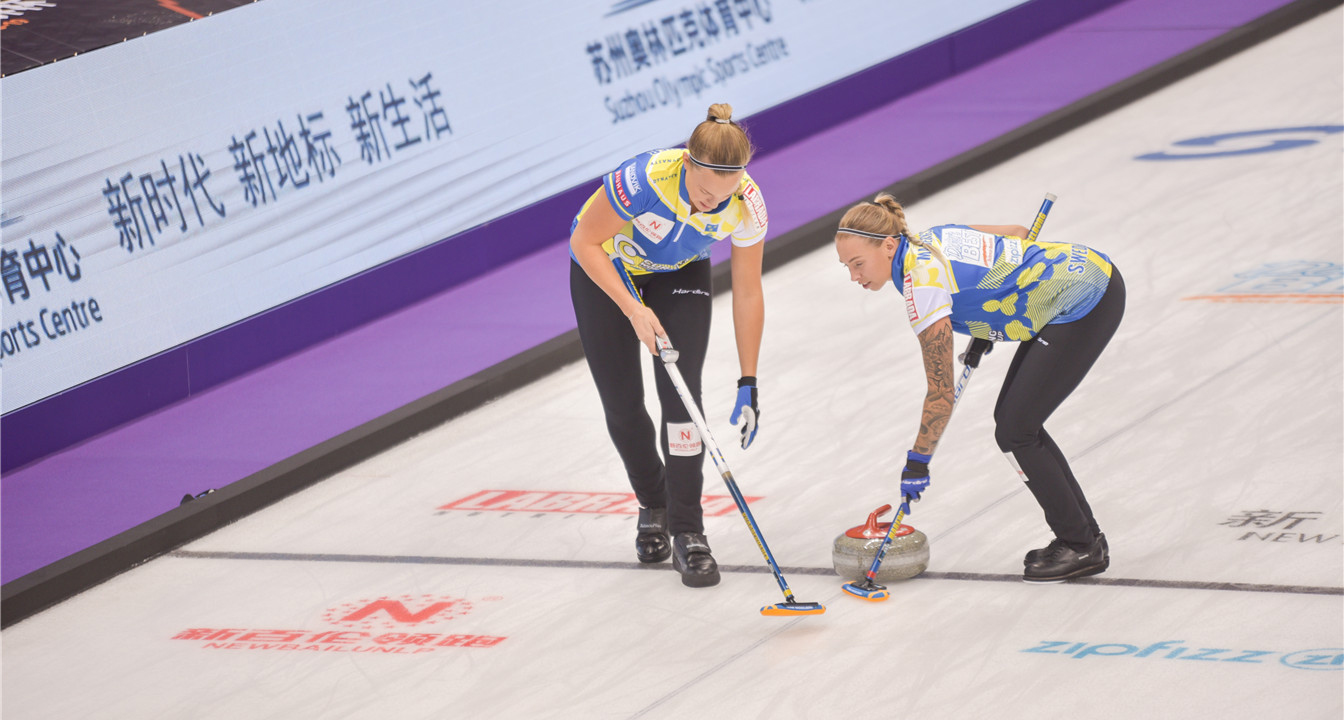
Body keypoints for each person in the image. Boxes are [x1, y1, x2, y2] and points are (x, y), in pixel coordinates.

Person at [833, 193, 1125, 583]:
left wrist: (918, 461)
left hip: (1084, 299)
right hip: (1087, 270)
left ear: (888, 246)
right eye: (847, 267)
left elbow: (940, 392)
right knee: (1017, 425)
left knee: (1016, 430)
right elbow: (1017, 235)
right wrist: (987, 313)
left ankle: (1080, 544)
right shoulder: (932, 238)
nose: (854, 277)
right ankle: (1084, 539)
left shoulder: (922, 284)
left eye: (858, 264)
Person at [569, 103, 768, 588]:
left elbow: (747, 291)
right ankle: (652, 502)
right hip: (608, 270)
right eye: (704, 193)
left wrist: (748, 378)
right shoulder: (643, 181)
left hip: (679, 274)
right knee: (622, 404)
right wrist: (633, 309)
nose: (711, 205)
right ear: (686, 163)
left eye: (722, 197)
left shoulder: (747, 204)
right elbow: (583, 243)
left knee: (682, 398)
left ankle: (687, 529)